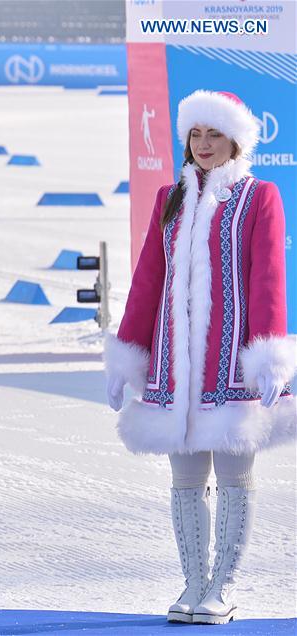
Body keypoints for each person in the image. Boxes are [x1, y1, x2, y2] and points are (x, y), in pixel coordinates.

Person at [104, 90, 294, 624]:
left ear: (234, 139)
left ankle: (224, 587)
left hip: (231, 368)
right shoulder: (171, 196)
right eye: (196, 134)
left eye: (214, 134)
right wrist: (127, 356)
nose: (204, 144)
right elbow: (147, 282)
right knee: (185, 482)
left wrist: (269, 357)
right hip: (173, 371)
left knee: (235, 478)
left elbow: (268, 282)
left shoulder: (260, 197)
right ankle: (193, 584)